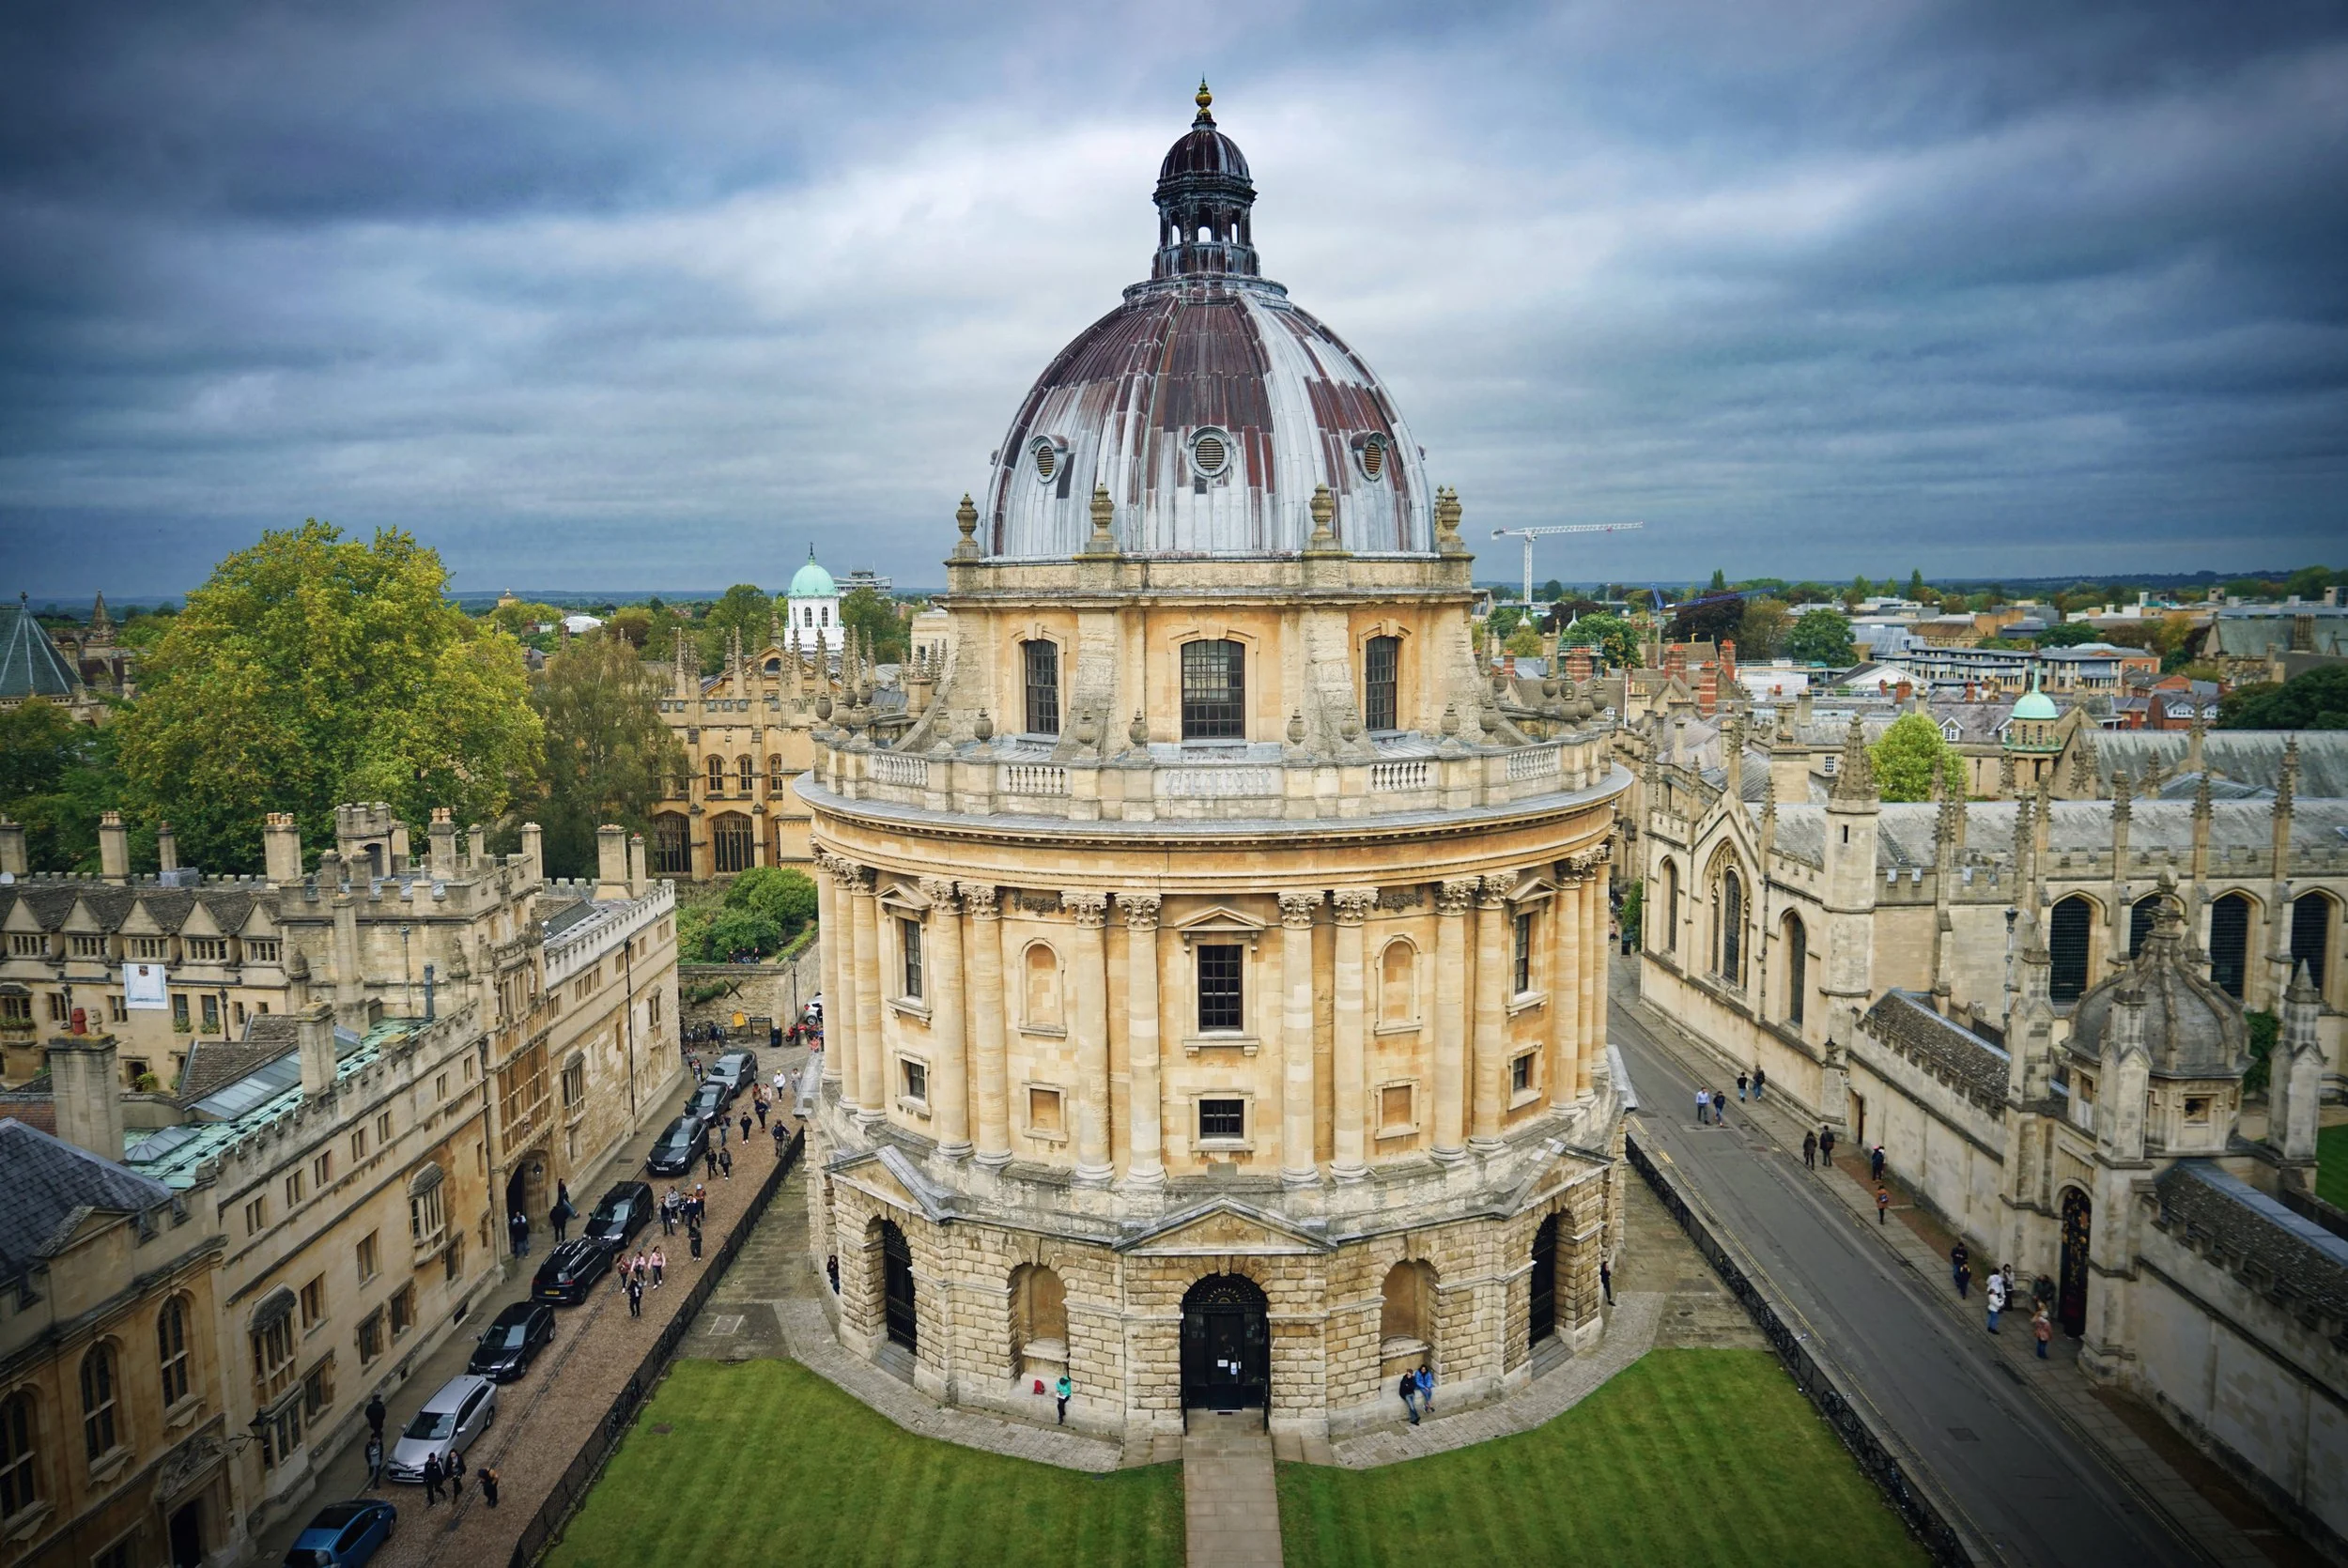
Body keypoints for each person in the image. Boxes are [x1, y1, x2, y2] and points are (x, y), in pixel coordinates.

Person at [1986, 1268, 2006, 1334]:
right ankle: (1993, 1329)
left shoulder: (1991, 1277)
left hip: (1991, 1290)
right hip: (1997, 1291)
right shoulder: (1999, 1278)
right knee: (1994, 1319)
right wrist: (2003, 1300)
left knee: (1990, 1317)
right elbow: (2001, 1283)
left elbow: (1988, 1282)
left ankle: (1989, 1327)